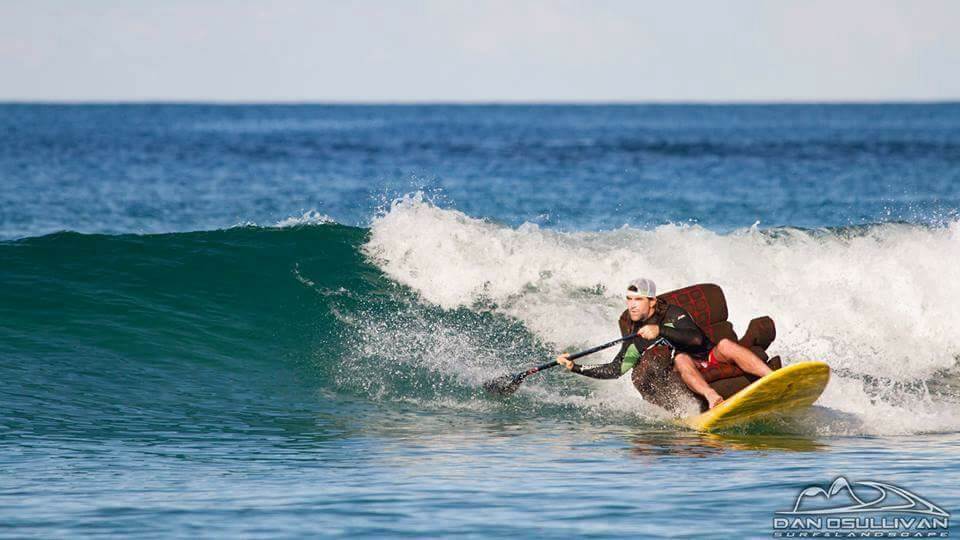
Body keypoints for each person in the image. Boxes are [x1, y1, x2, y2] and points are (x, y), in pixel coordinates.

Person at [556, 278, 772, 409]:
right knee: (682, 358)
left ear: (652, 301)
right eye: (629, 299)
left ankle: (772, 378)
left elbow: (696, 339)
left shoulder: (673, 313)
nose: (631, 306)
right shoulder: (635, 336)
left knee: (725, 344)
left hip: (709, 355)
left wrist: (660, 330)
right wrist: (575, 367)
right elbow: (615, 370)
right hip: (687, 367)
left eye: (638, 299)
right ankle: (713, 398)